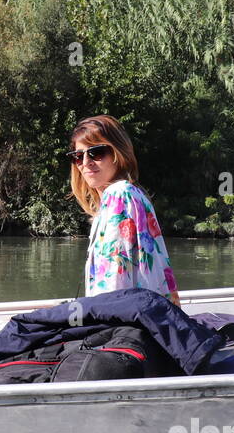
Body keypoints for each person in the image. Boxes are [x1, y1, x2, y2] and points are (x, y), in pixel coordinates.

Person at [69, 115, 181, 304]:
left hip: (128, 323)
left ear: (118, 154)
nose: (86, 162)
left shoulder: (119, 196)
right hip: (148, 319)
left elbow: (113, 283)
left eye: (96, 152)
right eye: (78, 156)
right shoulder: (130, 194)